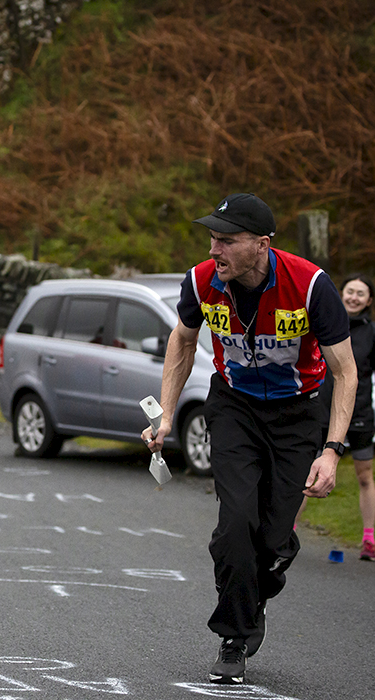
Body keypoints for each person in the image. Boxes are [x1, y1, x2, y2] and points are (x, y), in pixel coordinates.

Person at [142, 193, 357, 685]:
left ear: (261, 244)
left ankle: (269, 565)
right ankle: (234, 637)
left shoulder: (311, 286)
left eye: (227, 241)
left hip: (298, 414)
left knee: (272, 540)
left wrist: (332, 449)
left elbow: (346, 372)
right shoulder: (201, 281)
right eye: (212, 239)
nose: (215, 250)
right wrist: (168, 415)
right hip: (235, 407)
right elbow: (182, 339)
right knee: (235, 527)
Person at [318, 273, 375, 561]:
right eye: (350, 291)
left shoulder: (371, 332)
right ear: (341, 293)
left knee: (365, 475)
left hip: (361, 413)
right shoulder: (325, 322)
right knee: (310, 469)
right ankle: (285, 530)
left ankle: (370, 539)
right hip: (324, 410)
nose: (354, 297)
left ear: (369, 301)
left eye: (360, 293)